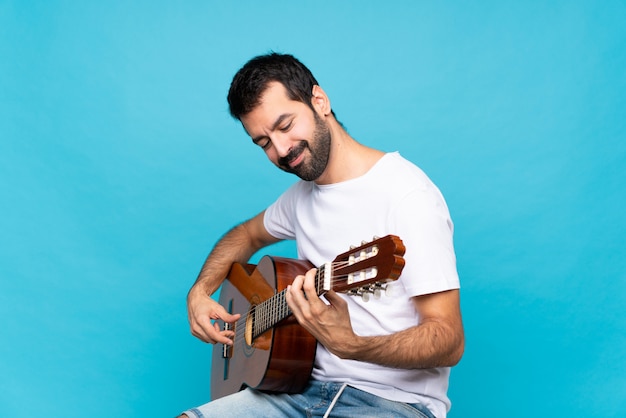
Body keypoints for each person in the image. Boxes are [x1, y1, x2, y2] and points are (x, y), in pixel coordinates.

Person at [180, 53, 464, 418]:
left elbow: (449, 339)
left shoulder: (407, 196)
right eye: (264, 142)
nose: (281, 150)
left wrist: (353, 345)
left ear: (319, 101)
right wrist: (200, 291)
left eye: (285, 125)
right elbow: (245, 235)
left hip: (393, 404)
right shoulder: (301, 198)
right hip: (293, 391)